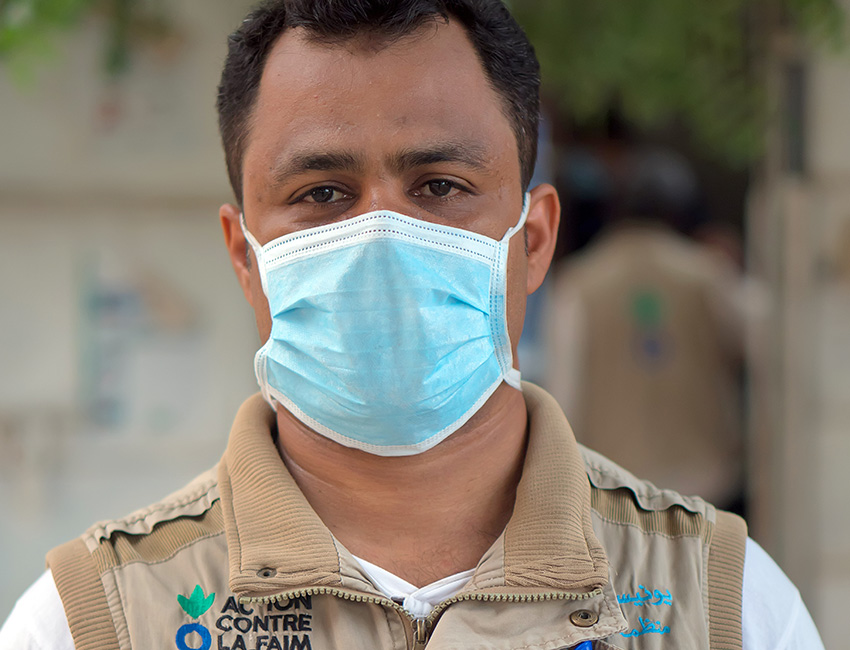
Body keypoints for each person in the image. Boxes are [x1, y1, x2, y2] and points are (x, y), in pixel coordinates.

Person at [0, 1, 822, 649]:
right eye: (322, 193)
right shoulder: (94, 623)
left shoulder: (726, 608)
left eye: (440, 186)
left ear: (531, 242)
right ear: (244, 257)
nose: (380, 237)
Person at [545, 149, 749, 514]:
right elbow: (753, 346)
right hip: (703, 480)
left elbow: (564, 391)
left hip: (612, 482)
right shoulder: (708, 275)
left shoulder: (581, 282)